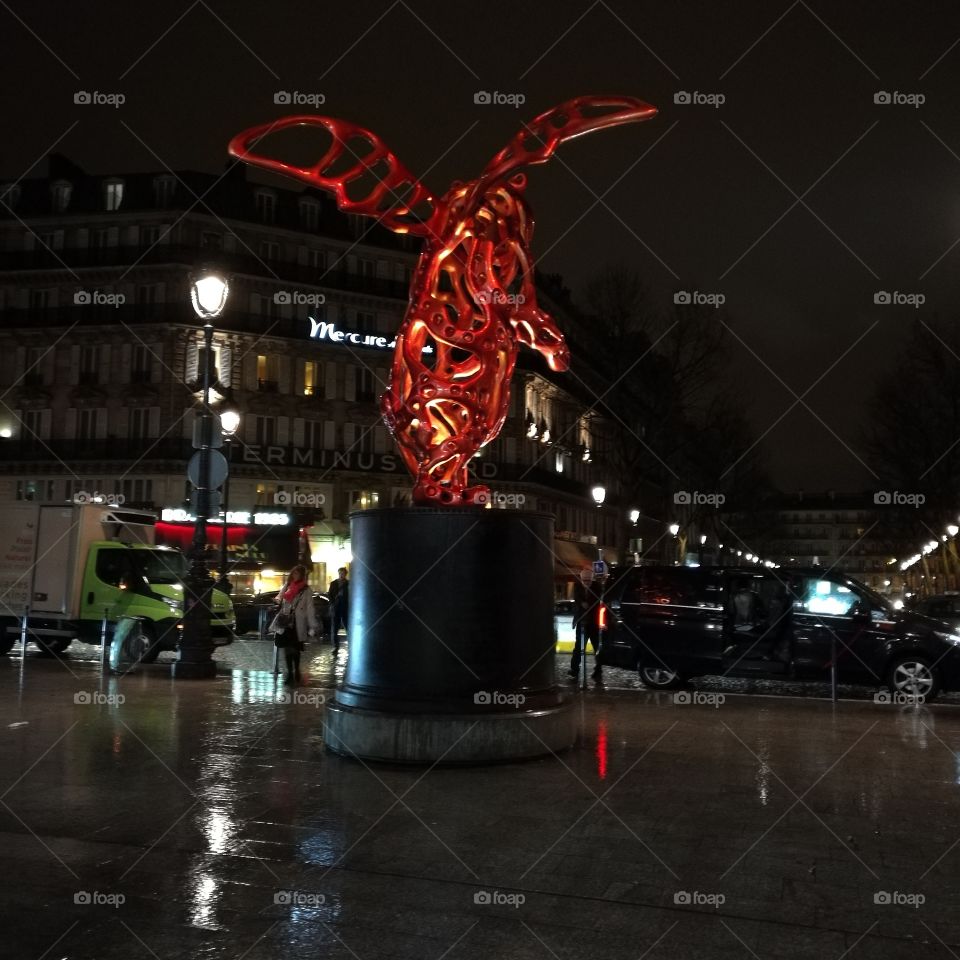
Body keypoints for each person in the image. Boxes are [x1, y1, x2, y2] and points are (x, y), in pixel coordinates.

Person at [271, 565, 318, 685]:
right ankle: (290, 673)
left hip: (298, 622)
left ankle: (296, 670)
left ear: (302, 575)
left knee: (295, 648)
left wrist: (312, 625)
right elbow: (279, 597)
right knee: (286, 648)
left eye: (297, 574)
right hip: (286, 621)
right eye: (293, 573)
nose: (295, 576)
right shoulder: (287, 586)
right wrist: (277, 601)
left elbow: (310, 608)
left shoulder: (306, 590)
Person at [569, 569, 602, 681]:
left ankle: (598, 671)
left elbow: (598, 600)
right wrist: (582, 603)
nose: (587, 583)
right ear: (581, 579)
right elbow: (577, 599)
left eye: (589, 580)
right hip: (581, 622)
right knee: (578, 647)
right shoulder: (577, 586)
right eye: (584, 580)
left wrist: (590, 602)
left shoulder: (597, 587)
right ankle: (574, 670)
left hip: (594, 623)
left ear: (592, 579)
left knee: (597, 647)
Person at [327, 566, 349, 655]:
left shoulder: (348, 584)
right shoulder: (333, 583)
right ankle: (335, 647)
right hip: (336, 608)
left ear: (345, 574)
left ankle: (351, 645)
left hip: (345, 608)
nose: (341, 575)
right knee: (334, 628)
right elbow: (330, 595)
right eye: (340, 573)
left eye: (342, 573)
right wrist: (332, 603)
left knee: (348, 627)